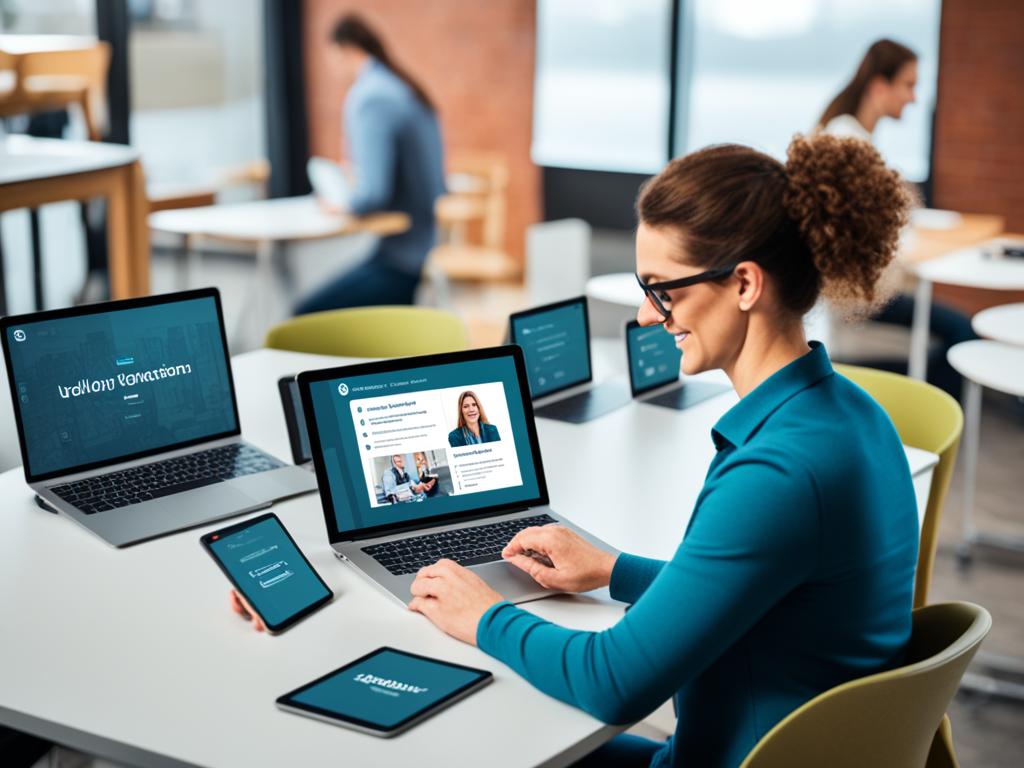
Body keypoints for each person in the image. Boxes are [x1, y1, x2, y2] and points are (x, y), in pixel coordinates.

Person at [405, 135, 919, 767]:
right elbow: (757, 587)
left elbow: (613, 682)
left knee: (472, 740)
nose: (650, 318)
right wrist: (612, 569)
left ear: (745, 284)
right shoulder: (851, 415)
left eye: (664, 292)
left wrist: (482, 614)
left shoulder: (778, 472)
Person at [816, 39, 976, 398]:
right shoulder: (848, 143)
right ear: (878, 86)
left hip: (865, 291)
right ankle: (924, 421)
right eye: (908, 85)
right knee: (962, 331)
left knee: (956, 326)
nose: (914, 97)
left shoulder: (852, 137)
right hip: (858, 299)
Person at [294, 14, 445, 315]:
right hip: (423, 247)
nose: (333, 69)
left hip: (402, 261)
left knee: (303, 315)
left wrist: (346, 203)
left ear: (345, 49)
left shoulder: (369, 96)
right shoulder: (400, 86)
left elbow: (372, 194)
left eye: (332, 58)